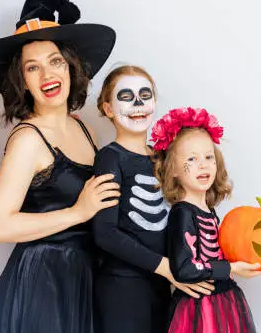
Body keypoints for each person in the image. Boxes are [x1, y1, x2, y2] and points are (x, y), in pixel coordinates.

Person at [0, 0, 118, 333]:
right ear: (22, 81)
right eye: (32, 68)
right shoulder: (27, 139)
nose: (48, 75)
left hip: (80, 281)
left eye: (55, 61)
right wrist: (78, 212)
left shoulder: (87, 131)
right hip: (39, 286)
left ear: (70, 68)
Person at [92, 66, 215, 333]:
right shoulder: (110, 157)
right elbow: (105, 232)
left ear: (154, 103)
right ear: (109, 108)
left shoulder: (164, 157)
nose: (138, 103)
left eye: (145, 95)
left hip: (163, 285)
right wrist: (167, 268)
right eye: (126, 96)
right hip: (122, 287)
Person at [151, 107, 261, 332]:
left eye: (208, 157)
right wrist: (231, 268)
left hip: (224, 301)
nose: (203, 165)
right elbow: (184, 269)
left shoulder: (209, 209)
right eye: (191, 159)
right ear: (172, 169)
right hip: (199, 309)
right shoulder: (182, 213)